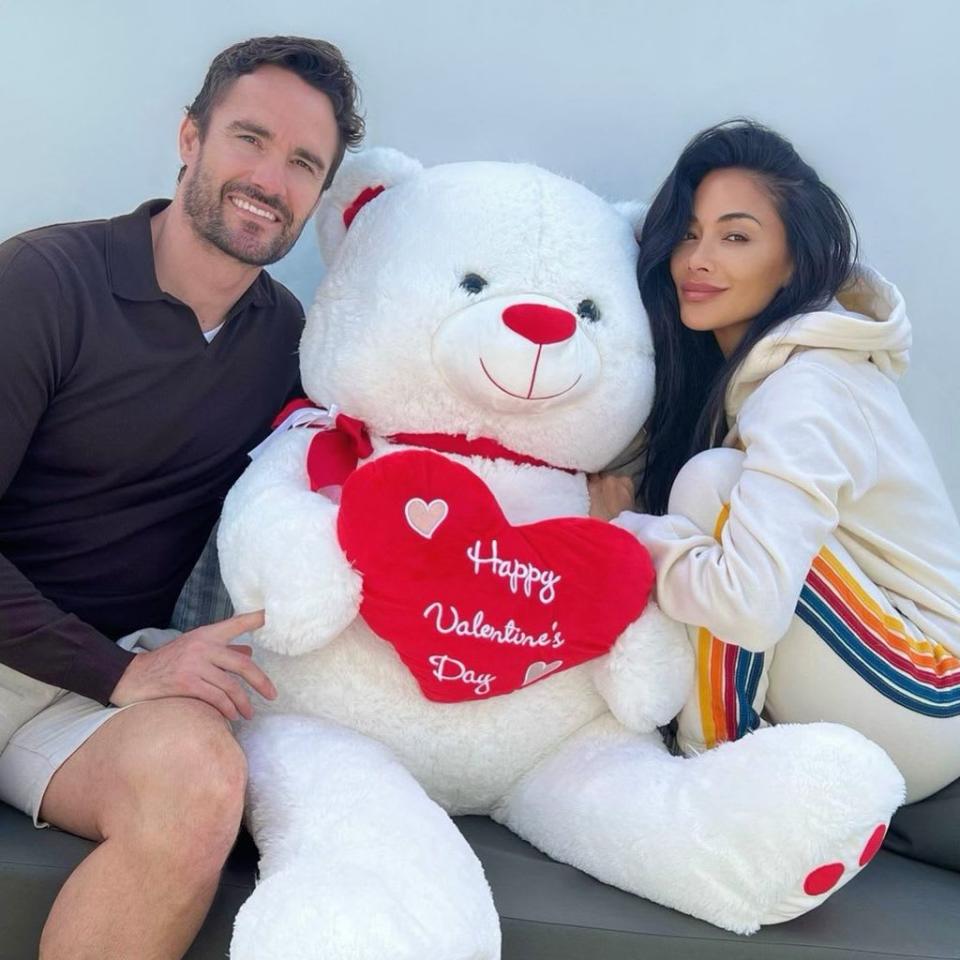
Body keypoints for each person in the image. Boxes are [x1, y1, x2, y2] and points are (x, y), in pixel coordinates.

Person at [0, 35, 363, 958]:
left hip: (87, 692)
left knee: (202, 780)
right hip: (60, 659)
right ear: (190, 137)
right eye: (250, 138)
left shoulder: (286, 340)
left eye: (303, 162)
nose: (270, 178)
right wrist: (123, 673)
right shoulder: (42, 283)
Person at [589, 120, 960, 804]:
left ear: (794, 260)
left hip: (929, 696)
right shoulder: (749, 380)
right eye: (689, 234)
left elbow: (750, 608)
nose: (699, 259)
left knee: (711, 486)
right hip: (879, 677)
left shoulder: (811, 386)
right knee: (703, 490)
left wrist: (629, 534)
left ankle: (709, 772)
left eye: (735, 236)